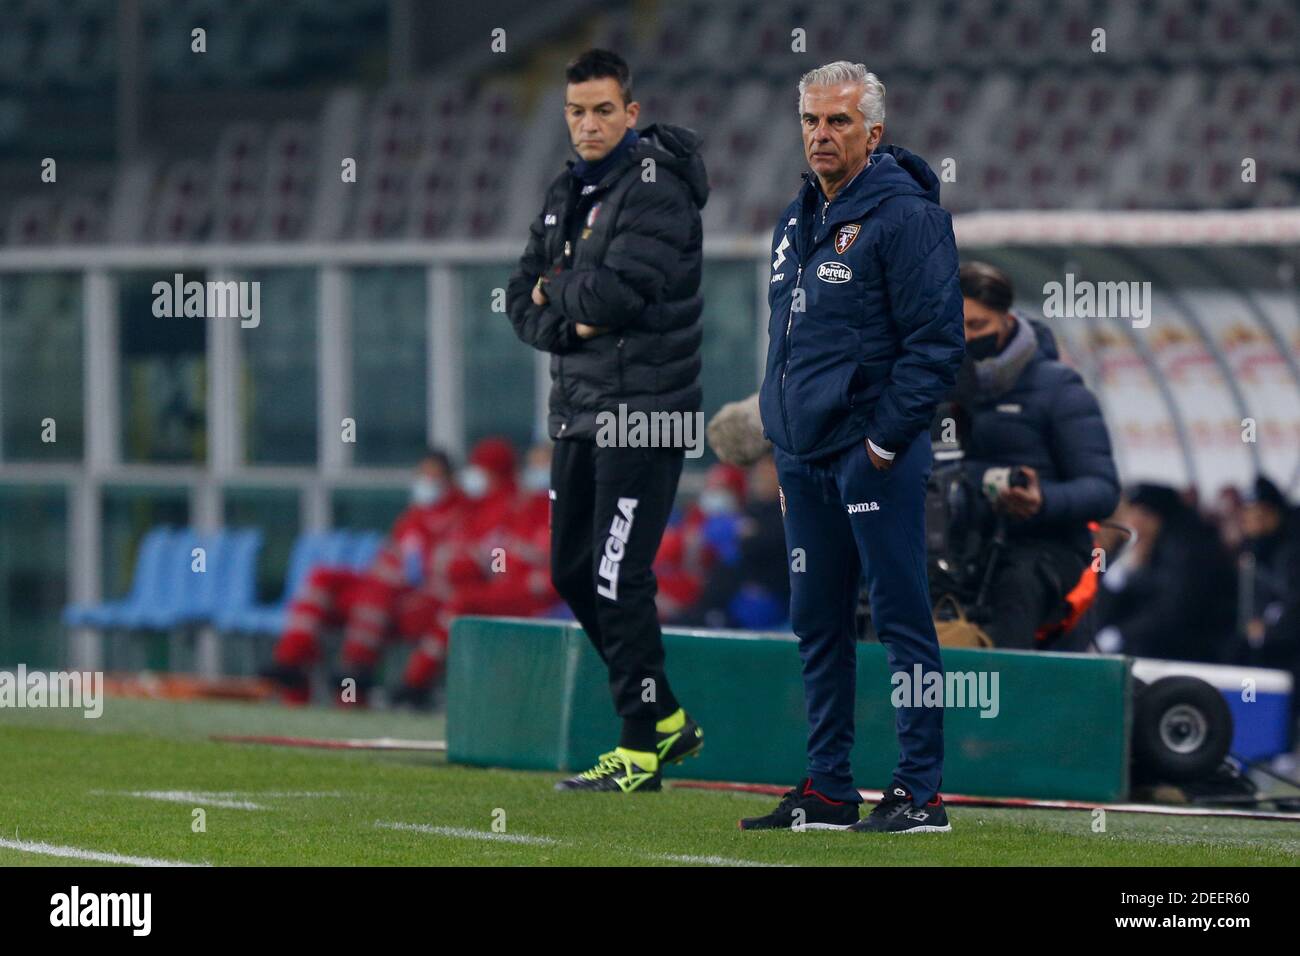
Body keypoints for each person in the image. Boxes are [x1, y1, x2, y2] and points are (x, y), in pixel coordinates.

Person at [744, 62, 965, 833]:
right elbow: (790, 343)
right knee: (817, 620)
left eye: (838, 122)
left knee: (901, 619)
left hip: (873, 454)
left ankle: (921, 793)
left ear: (874, 133)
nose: (820, 135)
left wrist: (879, 445)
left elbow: (937, 348)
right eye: (810, 120)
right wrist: (780, 436)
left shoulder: (907, 220)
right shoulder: (795, 218)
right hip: (803, 459)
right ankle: (830, 788)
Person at [504, 49, 709, 793]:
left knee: (619, 574)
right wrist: (565, 313)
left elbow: (618, 297)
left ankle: (639, 746)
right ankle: (664, 719)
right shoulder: (568, 189)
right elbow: (517, 296)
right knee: (569, 571)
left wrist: (557, 299)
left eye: (601, 110)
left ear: (631, 111)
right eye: (575, 112)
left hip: (645, 415)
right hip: (580, 413)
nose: (587, 124)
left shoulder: (655, 190)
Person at [948, 261, 1120, 648]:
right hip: (960, 546)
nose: (964, 338)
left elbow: (1102, 489)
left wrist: (1042, 501)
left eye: (977, 326)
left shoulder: (1060, 390)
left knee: (1015, 584)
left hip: (1043, 552)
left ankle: (1010, 699)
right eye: (954, 326)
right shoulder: (936, 386)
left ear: (1007, 320)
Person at [267, 448, 464, 705]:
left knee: (374, 595)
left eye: (433, 477)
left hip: (413, 599)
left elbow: (443, 572)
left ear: (448, 480)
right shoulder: (413, 517)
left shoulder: (459, 519)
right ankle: (291, 662)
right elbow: (391, 558)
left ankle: (354, 677)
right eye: (422, 475)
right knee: (323, 578)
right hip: (387, 591)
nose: (426, 483)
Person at [1092, 483, 1236, 662]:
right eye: (1131, 513)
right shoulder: (1127, 550)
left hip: (1188, 653)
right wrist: (1119, 576)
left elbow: (1174, 607)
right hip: (1139, 650)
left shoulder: (1190, 551)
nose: (1135, 522)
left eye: (1144, 515)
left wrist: (1123, 633)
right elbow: (1101, 610)